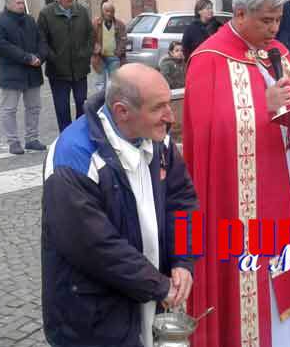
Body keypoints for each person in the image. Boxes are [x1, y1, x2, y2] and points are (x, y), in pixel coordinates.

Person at [183, 0, 290, 347]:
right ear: (239, 15)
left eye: (278, 19)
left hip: (287, 192)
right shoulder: (208, 60)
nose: (275, 28)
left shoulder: (281, 56)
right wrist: (260, 107)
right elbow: (207, 139)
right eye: (265, 20)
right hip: (239, 206)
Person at [42, 63, 198, 347]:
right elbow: (94, 247)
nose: (170, 117)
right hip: (96, 316)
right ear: (122, 111)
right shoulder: (72, 157)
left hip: (148, 296)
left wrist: (185, 260)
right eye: (158, 107)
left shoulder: (158, 140)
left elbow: (185, 201)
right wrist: (159, 286)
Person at [0, 0, 49, 154]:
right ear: (8, 4)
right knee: (9, 109)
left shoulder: (30, 20)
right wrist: (27, 58)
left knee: (34, 107)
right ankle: (13, 142)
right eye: (18, 3)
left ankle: (32, 139)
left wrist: (39, 57)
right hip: (11, 73)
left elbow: (41, 41)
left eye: (23, 2)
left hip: (32, 72)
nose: (22, 5)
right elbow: (2, 46)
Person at [38, 0, 94, 132]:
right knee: (62, 107)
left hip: (80, 68)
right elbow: (42, 40)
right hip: (58, 71)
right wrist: (53, 57)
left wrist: (86, 53)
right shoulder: (46, 14)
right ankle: (65, 136)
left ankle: (81, 133)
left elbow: (90, 35)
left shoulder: (81, 11)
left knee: (82, 102)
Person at [91, 1, 127, 92]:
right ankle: (101, 103)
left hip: (114, 57)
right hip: (99, 57)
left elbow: (123, 40)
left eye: (111, 11)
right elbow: (90, 38)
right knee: (100, 83)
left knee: (114, 83)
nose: (109, 13)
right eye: (107, 11)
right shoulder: (95, 23)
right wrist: (95, 48)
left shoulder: (120, 24)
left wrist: (118, 52)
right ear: (102, 11)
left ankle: (111, 102)